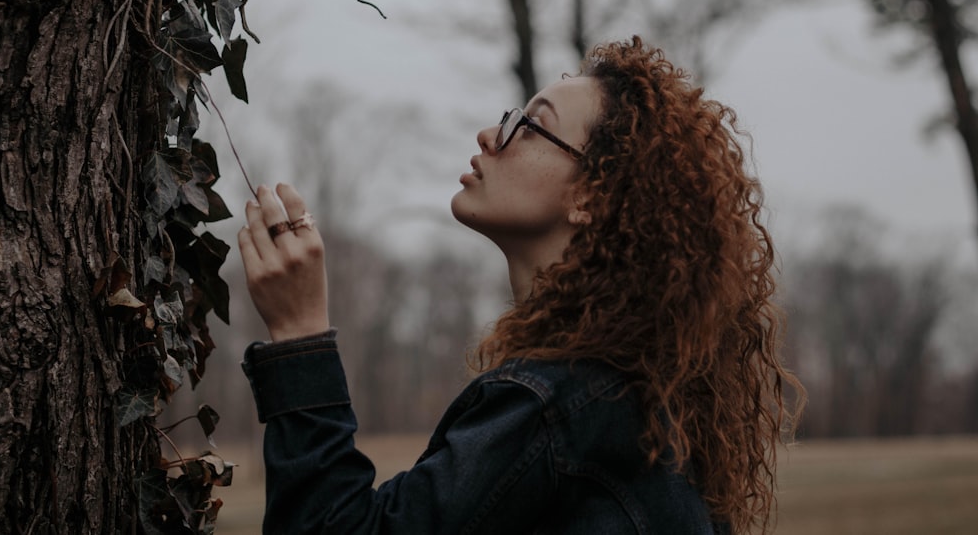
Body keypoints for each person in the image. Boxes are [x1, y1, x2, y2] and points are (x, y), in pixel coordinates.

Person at [238, 36, 804, 534]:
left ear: (593, 195)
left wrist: (298, 334)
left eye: (530, 126)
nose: (490, 135)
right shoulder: (634, 403)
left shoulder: (561, 406)